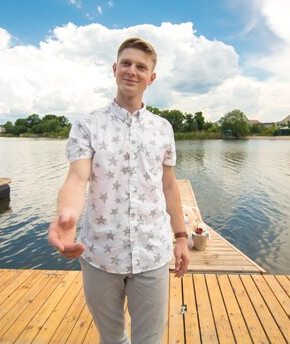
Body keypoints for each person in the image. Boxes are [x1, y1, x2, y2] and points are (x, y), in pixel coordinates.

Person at [48, 37, 189, 344]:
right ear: (114, 68)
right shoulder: (87, 125)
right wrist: (67, 217)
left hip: (152, 252)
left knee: (148, 341)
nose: (132, 71)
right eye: (126, 63)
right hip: (100, 254)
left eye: (141, 67)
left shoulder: (163, 128)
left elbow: (168, 185)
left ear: (151, 78)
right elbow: (77, 178)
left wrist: (181, 237)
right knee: (111, 339)